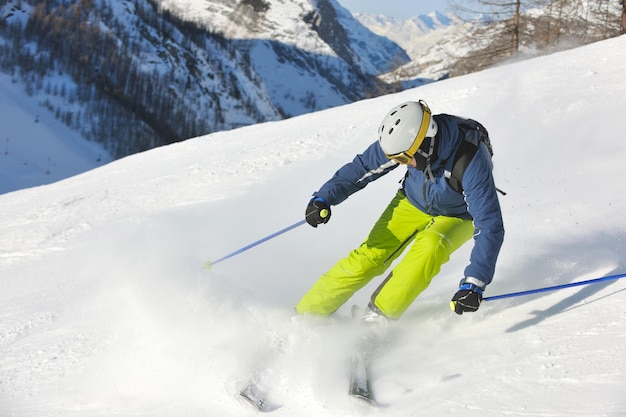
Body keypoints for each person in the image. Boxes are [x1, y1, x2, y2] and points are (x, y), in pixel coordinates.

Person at [295, 100, 504, 322]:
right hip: (412, 202)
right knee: (368, 257)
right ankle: (306, 315)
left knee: (430, 249)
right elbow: (363, 167)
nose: (402, 163)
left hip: (457, 216)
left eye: (404, 158)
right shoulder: (405, 140)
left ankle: (376, 321)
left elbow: (490, 223)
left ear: (426, 144)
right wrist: (324, 197)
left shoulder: (471, 160)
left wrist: (474, 283)